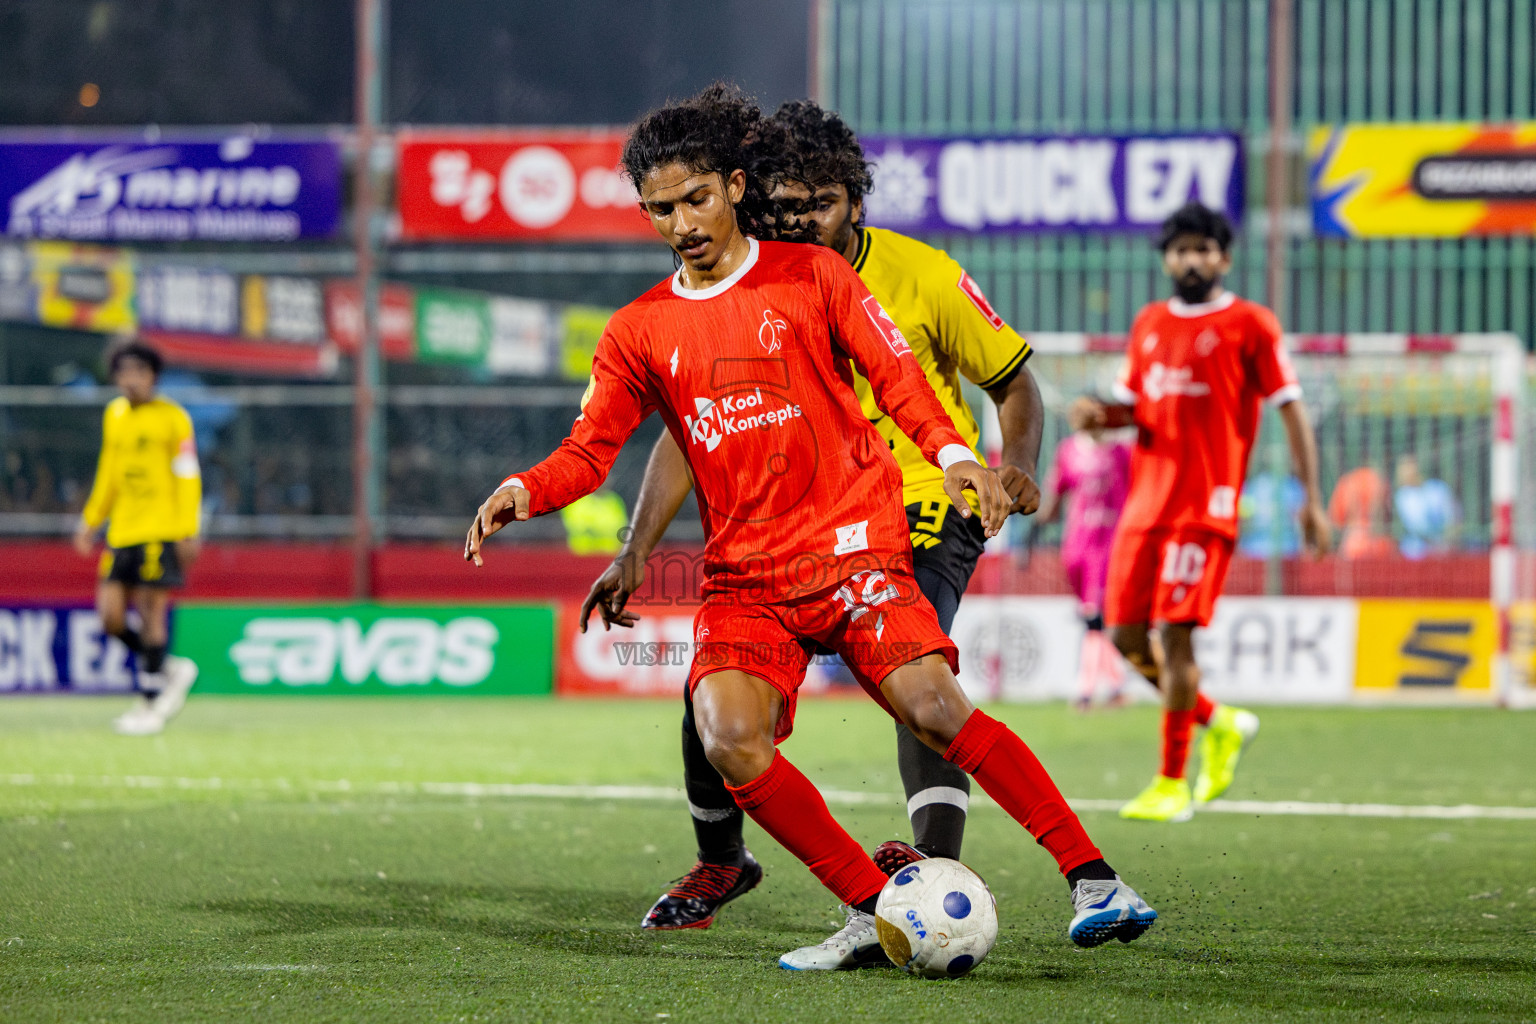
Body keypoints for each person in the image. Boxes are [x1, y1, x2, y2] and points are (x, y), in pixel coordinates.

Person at [465, 84, 1155, 967]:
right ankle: (875, 908)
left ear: (735, 186)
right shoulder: (639, 329)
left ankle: (1093, 876)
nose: (682, 222)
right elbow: (590, 448)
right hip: (748, 576)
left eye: (696, 199)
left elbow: (902, 381)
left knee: (934, 707)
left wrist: (958, 461)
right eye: (660, 209)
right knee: (722, 732)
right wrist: (526, 488)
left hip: (858, 547)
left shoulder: (815, 277)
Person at [577, 98, 1048, 966]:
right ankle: (724, 861)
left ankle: (931, 888)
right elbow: (693, 432)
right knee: (714, 695)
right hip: (787, 529)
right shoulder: (750, 284)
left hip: (918, 501)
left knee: (923, 677)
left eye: (818, 204)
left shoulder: (921, 277)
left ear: (855, 202)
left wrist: (1008, 463)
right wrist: (637, 548)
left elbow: (1012, 379)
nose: (800, 221)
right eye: (784, 209)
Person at [1076, 202, 1333, 823]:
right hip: (1145, 506)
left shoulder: (1251, 323)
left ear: (1224, 257)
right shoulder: (1149, 324)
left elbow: (1291, 410)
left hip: (1205, 506)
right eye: (1181, 249)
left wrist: (1312, 502)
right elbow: (1134, 407)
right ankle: (1217, 722)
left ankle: (1171, 782)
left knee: (1175, 636)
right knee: (1126, 636)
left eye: (1204, 249)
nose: (1192, 259)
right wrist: (1099, 416)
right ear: (1167, 258)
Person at [73, 340, 202, 735]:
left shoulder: (173, 419)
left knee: (150, 612)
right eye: (124, 372)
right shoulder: (114, 415)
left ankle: (148, 706)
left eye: (139, 373)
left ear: (153, 377)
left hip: (160, 530)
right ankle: (168, 668)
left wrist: (187, 529)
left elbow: (187, 475)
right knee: (110, 617)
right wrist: (91, 520)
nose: (131, 380)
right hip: (122, 530)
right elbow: (108, 472)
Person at [1036, 401, 1132, 710]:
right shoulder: (1069, 451)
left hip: (1108, 545)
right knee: (1093, 618)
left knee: (1095, 618)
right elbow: (1054, 499)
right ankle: (1116, 686)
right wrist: (1032, 533)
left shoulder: (1122, 453)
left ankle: (1085, 690)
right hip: (1076, 545)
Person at [1394, 454, 1456, 559]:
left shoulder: (1438, 488)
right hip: (1415, 551)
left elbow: (1453, 519)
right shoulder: (1403, 496)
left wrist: (1445, 541)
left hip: (1443, 549)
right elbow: (1415, 526)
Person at [1329, 465, 1393, 559]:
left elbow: (1337, 520)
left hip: (1354, 545)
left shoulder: (1347, 482)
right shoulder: (1379, 481)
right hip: (1377, 544)